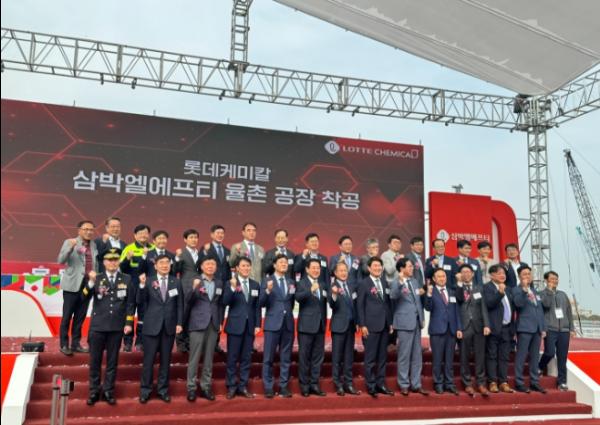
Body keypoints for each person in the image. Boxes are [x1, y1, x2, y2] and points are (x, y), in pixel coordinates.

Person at [84, 248, 135, 405]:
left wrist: (128, 323)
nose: (113, 262)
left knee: (112, 362)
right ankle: (94, 391)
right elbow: (83, 297)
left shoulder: (126, 279)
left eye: (115, 259)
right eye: (109, 260)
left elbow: (130, 303)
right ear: (104, 262)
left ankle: (108, 391)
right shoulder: (97, 278)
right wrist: (90, 282)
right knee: (95, 361)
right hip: (98, 325)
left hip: (116, 326)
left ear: (119, 261)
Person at [138, 255, 184, 403]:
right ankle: (145, 390)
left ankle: (162, 390)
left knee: (165, 361)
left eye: (167, 263)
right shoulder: (149, 281)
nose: (165, 265)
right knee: (148, 361)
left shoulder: (176, 282)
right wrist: (141, 286)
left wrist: (179, 323)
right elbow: (141, 301)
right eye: (161, 263)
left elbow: (180, 304)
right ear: (155, 266)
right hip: (151, 326)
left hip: (169, 327)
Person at [184, 256, 224, 402]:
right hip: (197, 323)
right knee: (194, 358)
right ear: (201, 266)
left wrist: (220, 321)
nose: (210, 266)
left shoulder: (219, 283)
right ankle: (191, 387)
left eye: (213, 263)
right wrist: (194, 288)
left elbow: (219, 304)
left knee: (209, 358)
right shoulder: (194, 281)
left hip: (213, 323)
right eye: (207, 264)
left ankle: (206, 386)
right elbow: (188, 300)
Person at [57, 220, 98, 356]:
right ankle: (64, 344)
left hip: (88, 285)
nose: (89, 232)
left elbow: (96, 264)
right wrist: (70, 248)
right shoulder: (70, 242)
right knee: (67, 316)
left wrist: (95, 278)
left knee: (80, 316)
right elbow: (61, 260)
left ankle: (76, 344)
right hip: (72, 284)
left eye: (91, 230)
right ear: (79, 230)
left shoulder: (94, 245)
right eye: (86, 229)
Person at [223, 257, 261, 399]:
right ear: (237, 268)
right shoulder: (230, 283)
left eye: (248, 266)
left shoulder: (255, 284)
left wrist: (257, 324)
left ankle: (243, 386)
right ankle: (231, 386)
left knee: (246, 358)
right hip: (235, 326)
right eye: (243, 266)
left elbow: (256, 307)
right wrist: (232, 288)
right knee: (232, 358)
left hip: (249, 326)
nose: (246, 268)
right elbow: (225, 301)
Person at [390, 258, 428, 396]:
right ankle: (404, 384)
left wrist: (422, 317)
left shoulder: (414, 281)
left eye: (412, 266)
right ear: (402, 269)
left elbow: (417, 301)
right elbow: (393, 295)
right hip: (404, 322)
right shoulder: (395, 282)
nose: (412, 268)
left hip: (416, 321)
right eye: (410, 266)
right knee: (404, 355)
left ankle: (416, 384)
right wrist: (400, 282)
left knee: (417, 355)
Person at [357, 257, 394, 398]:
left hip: (384, 325)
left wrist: (390, 322)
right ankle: (371, 385)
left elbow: (387, 304)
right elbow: (360, 306)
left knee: (382, 358)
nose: (378, 268)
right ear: (369, 268)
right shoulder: (363, 283)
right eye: (375, 266)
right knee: (370, 358)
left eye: (380, 266)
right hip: (370, 326)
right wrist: (362, 325)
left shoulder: (384, 282)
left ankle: (381, 384)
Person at [260, 254, 296, 398]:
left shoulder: (291, 282)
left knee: (286, 357)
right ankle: (268, 387)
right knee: (268, 357)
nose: (284, 264)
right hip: (272, 323)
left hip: (288, 323)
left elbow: (291, 302)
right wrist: (267, 290)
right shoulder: (267, 281)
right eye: (281, 262)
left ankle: (283, 386)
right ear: (274, 265)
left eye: (285, 262)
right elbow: (261, 302)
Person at [425, 268, 463, 395]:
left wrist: (459, 328)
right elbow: (428, 307)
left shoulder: (452, 291)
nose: (442, 278)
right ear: (434, 279)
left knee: (449, 360)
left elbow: (456, 311)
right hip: (437, 330)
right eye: (439, 276)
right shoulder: (432, 291)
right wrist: (428, 295)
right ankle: (438, 383)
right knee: (437, 359)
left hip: (451, 330)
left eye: (444, 276)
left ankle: (449, 383)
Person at [455, 264, 490, 396]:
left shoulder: (479, 288)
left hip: (478, 325)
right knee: (464, 356)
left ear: (473, 274)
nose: (466, 274)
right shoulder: (456, 287)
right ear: (460, 274)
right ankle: (467, 384)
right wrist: (459, 283)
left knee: (480, 356)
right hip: (464, 327)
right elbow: (459, 301)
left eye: (468, 271)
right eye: (463, 272)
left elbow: (483, 308)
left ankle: (481, 383)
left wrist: (487, 325)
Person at [296, 258, 329, 397]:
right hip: (306, 326)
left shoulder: (323, 284)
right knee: (304, 357)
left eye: (318, 268)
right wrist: (310, 290)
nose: (316, 270)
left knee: (318, 357)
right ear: (307, 269)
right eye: (313, 267)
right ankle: (304, 385)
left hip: (320, 326)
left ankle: (314, 384)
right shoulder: (302, 283)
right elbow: (298, 298)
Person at [539, 271, 576, 391]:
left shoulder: (563, 295)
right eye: (552, 279)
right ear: (546, 280)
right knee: (549, 352)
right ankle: (540, 367)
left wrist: (571, 328)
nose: (554, 281)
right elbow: (545, 305)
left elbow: (569, 312)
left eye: (556, 279)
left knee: (562, 357)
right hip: (550, 329)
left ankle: (562, 382)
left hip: (564, 330)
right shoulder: (542, 294)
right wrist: (549, 292)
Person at [120, 224, 155, 352]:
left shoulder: (153, 249)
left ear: (149, 235)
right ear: (135, 235)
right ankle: (127, 342)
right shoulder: (129, 248)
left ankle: (140, 341)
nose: (143, 235)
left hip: (147, 288)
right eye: (140, 233)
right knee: (129, 314)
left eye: (145, 233)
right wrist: (127, 259)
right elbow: (121, 268)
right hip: (131, 286)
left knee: (143, 315)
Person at [512, 266, 547, 393]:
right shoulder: (516, 290)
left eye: (529, 274)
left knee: (534, 357)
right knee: (521, 356)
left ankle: (534, 382)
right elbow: (518, 304)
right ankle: (519, 382)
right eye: (524, 274)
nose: (527, 276)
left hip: (537, 329)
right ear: (519, 276)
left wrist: (543, 328)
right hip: (524, 328)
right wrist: (524, 290)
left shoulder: (534, 291)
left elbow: (540, 310)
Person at [328, 262, 360, 396]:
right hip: (339, 326)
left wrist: (357, 321)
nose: (343, 273)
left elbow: (355, 305)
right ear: (335, 273)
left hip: (351, 326)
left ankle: (348, 384)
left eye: (345, 270)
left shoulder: (351, 286)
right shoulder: (333, 286)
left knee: (349, 357)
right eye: (340, 271)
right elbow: (332, 304)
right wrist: (334, 294)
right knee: (337, 357)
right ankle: (338, 384)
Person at [483, 264, 515, 393]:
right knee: (492, 356)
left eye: (504, 273)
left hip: (507, 328)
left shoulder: (508, 289)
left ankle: (503, 382)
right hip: (494, 327)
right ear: (492, 275)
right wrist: (500, 293)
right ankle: (492, 382)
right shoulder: (487, 288)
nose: (503, 275)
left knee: (504, 357)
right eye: (499, 273)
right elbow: (489, 304)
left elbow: (512, 308)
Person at [174, 228, 201, 353]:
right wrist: (177, 258)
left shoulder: (200, 254)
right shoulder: (181, 253)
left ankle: (190, 341)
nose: (194, 240)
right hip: (185, 287)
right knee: (184, 314)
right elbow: (175, 270)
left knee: (194, 315)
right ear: (185, 239)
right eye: (191, 237)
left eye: (195, 237)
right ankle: (180, 342)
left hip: (199, 287)